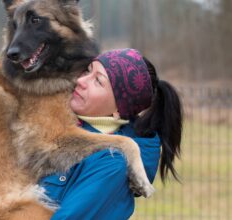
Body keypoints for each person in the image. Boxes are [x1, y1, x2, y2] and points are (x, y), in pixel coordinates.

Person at [38, 48, 183, 219]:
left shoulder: (111, 164)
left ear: (118, 110)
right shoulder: (56, 122)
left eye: (98, 81)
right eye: (88, 70)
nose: (81, 80)